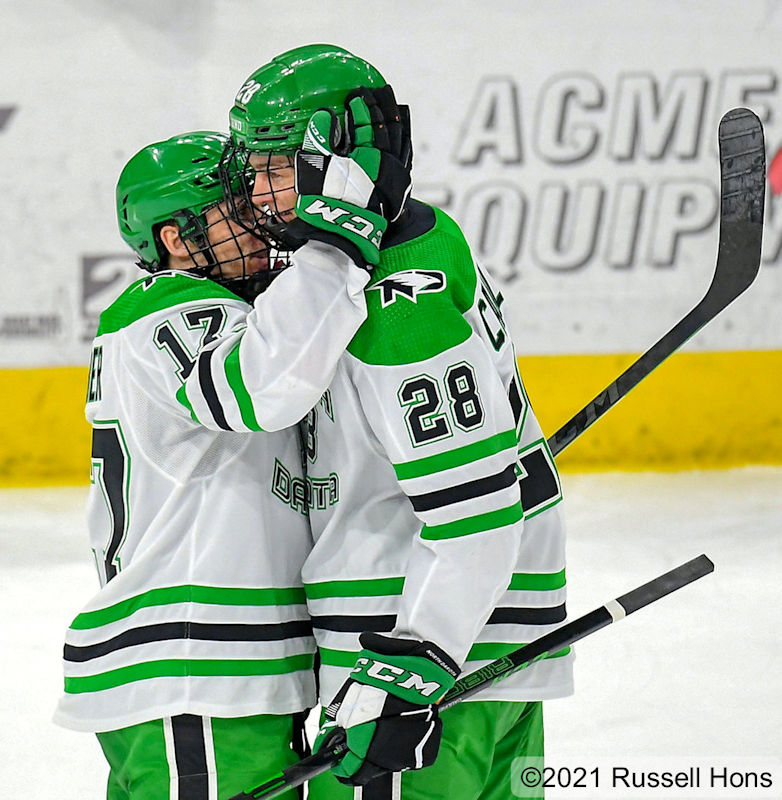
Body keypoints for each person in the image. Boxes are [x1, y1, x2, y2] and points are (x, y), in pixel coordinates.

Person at [223, 45, 574, 800]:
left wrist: (409, 664)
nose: (256, 194)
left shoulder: (394, 299)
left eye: (275, 168)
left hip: (420, 653)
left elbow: (476, 519)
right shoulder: (419, 236)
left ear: (340, 158)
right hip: (486, 646)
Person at [53, 117, 409, 799]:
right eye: (234, 212)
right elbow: (263, 392)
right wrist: (338, 245)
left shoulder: (225, 313)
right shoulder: (168, 307)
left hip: (219, 674)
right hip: (193, 670)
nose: (263, 222)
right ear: (175, 240)